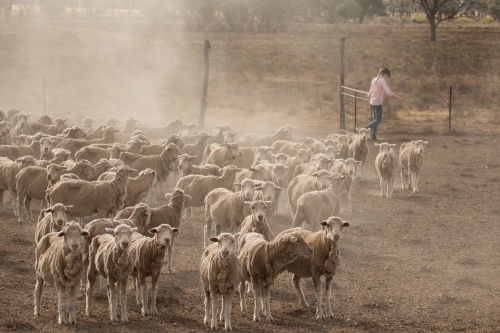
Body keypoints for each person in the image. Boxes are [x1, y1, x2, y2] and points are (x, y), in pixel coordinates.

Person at [365, 68, 405, 140]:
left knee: (376, 119)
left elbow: (370, 92)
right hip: (377, 102)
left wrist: (369, 103)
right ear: (385, 74)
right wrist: (399, 98)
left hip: (373, 102)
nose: (387, 78)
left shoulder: (374, 79)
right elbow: (389, 93)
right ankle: (365, 129)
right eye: (387, 76)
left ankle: (373, 136)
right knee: (378, 120)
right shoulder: (381, 80)